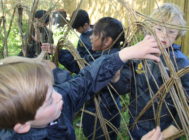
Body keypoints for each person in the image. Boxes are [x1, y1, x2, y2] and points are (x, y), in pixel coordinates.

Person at [0, 35, 160, 140]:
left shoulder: (57, 98)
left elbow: (87, 79)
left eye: (53, 89)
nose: (59, 96)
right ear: (22, 126)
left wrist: (124, 54)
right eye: (49, 101)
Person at [114, 3, 189, 139]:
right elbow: (124, 87)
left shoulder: (181, 63)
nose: (164, 35)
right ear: (150, 28)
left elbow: (186, 106)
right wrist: (116, 76)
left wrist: (165, 135)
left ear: (178, 34)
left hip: (164, 130)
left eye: (171, 31)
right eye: (159, 28)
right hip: (136, 124)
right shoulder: (138, 55)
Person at [82, 17, 125, 140]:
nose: (90, 37)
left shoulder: (108, 62)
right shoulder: (100, 56)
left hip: (102, 116)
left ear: (107, 41)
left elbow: (84, 79)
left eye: (94, 33)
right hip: (102, 113)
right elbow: (81, 63)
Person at [43, 9, 94, 74]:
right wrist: (58, 51)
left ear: (85, 25)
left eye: (77, 28)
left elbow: (80, 61)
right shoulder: (85, 35)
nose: (76, 30)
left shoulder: (91, 42)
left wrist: (60, 53)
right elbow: (77, 54)